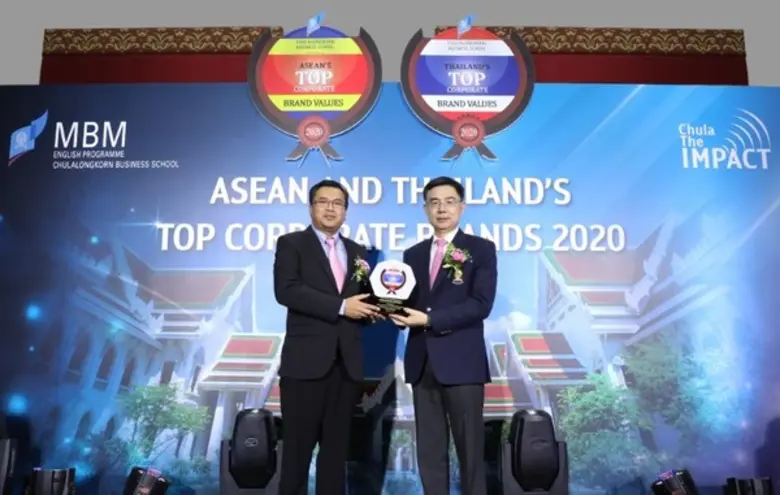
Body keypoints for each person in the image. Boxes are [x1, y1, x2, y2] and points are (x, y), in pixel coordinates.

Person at [390, 176, 497, 495]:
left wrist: (429, 319)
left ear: (462, 207)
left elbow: (481, 304)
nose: (442, 209)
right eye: (434, 202)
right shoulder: (413, 254)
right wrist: (394, 312)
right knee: (429, 451)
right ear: (425, 209)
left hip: (463, 363)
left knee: (470, 452)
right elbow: (410, 301)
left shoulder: (480, 249)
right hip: (422, 363)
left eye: (449, 202)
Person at [273, 179, 380, 494]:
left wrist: (377, 309)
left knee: (335, 456)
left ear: (345, 211)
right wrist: (343, 307)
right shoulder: (292, 244)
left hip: (346, 367)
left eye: (338, 203)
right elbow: (287, 290)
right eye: (323, 201)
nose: (330, 208)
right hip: (304, 366)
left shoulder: (358, 251)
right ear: (311, 207)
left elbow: (362, 298)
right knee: (296, 454)